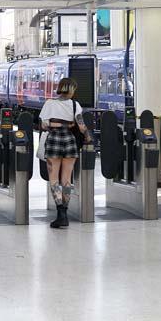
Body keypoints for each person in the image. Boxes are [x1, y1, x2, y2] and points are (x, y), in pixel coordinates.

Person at [38, 77, 91, 229]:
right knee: (67, 178)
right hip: (69, 140)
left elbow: (44, 124)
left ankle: (60, 213)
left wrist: (57, 123)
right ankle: (65, 214)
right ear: (72, 89)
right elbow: (81, 126)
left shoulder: (50, 103)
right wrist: (85, 135)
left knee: (54, 178)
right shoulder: (75, 105)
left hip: (54, 139)